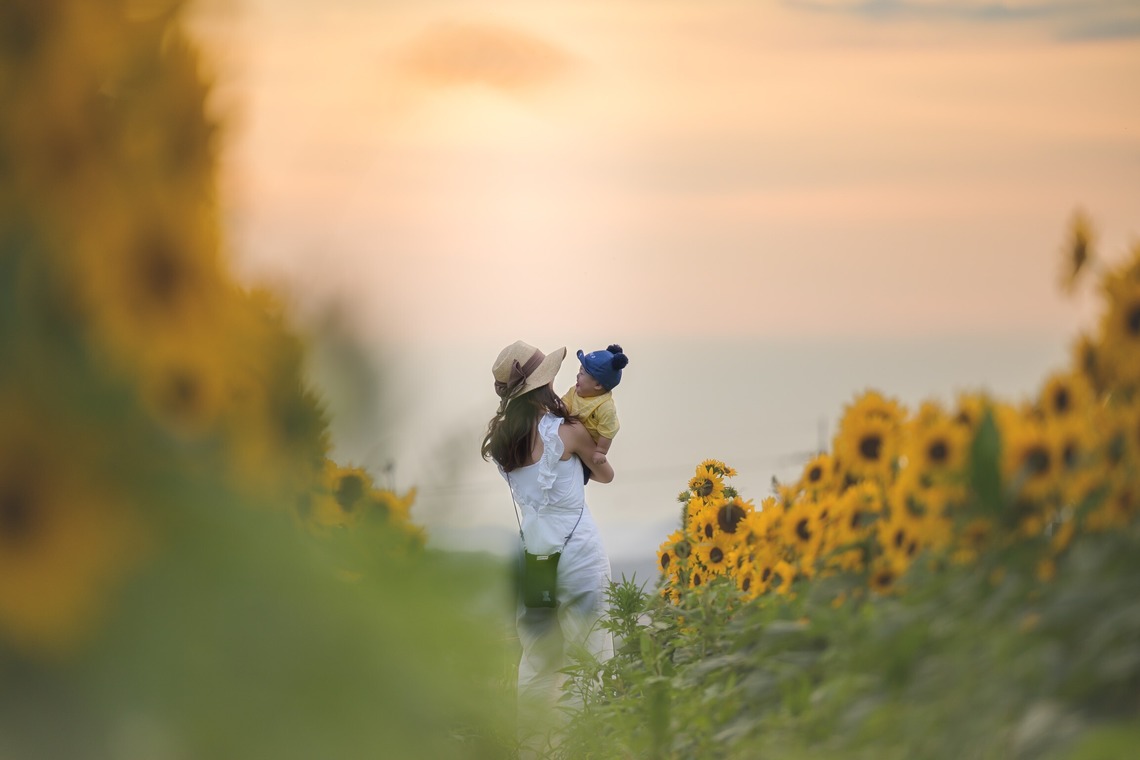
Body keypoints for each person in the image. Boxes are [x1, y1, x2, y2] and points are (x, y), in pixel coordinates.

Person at [481, 340, 615, 756]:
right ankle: (583, 747)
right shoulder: (569, 431)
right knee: (590, 655)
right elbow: (606, 474)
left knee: (537, 662)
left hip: (536, 557)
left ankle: (533, 749)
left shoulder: (504, 443)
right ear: (540, 385)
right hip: (579, 554)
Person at [561, 344, 628, 475]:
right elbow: (565, 402)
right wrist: (560, 408)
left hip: (589, 447)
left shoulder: (605, 407)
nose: (577, 376)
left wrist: (600, 451)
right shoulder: (574, 391)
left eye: (581, 373)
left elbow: (607, 432)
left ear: (597, 385)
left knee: (582, 470)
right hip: (571, 439)